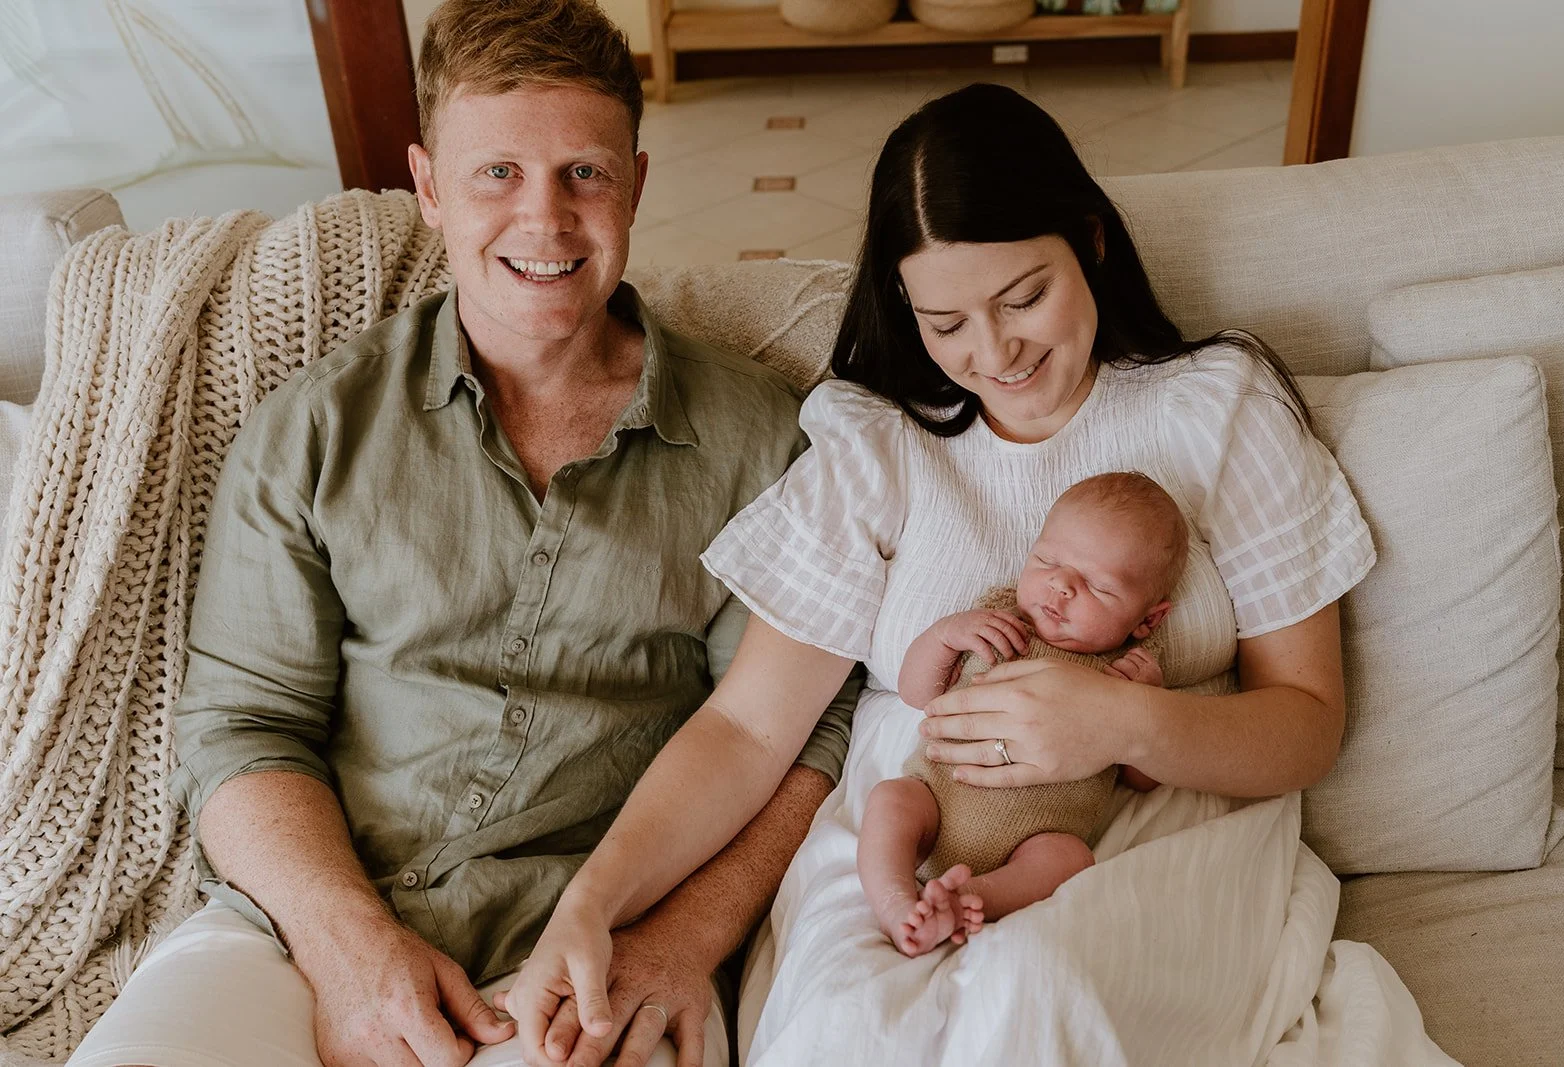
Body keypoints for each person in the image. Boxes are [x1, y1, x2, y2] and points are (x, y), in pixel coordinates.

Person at [506, 81, 1377, 1058]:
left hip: (1150, 819)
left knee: (1031, 992)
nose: (995, 352)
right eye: (945, 321)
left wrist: (1129, 719)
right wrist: (591, 902)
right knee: (842, 1028)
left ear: (1089, 241)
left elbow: (1307, 722)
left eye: (1024, 298)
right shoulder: (875, 443)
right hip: (907, 824)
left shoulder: (1217, 407)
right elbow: (748, 727)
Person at [65, 3, 859, 1067]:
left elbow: (794, 735)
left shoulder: (760, 439)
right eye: (496, 174)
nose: (546, 221)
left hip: (601, 947)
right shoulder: (315, 427)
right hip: (307, 924)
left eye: (585, 172)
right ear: (428, 187)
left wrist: (685, 940)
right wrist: (348, 947)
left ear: (636, 181)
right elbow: (243, 726)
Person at [861, 471, 1186, 957]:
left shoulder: (1124, 678)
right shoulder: (996, 621)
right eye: (1047, 560)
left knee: (1070, 858)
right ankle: (896, 905)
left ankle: (970, 899)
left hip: (1035, 840)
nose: (1060, 586)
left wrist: (1143, 706)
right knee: (890, 799)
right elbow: (915, 692)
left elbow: (1142, 779)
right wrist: (946, 636)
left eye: (1098, 586)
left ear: (1148, 619)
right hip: (936, 800)